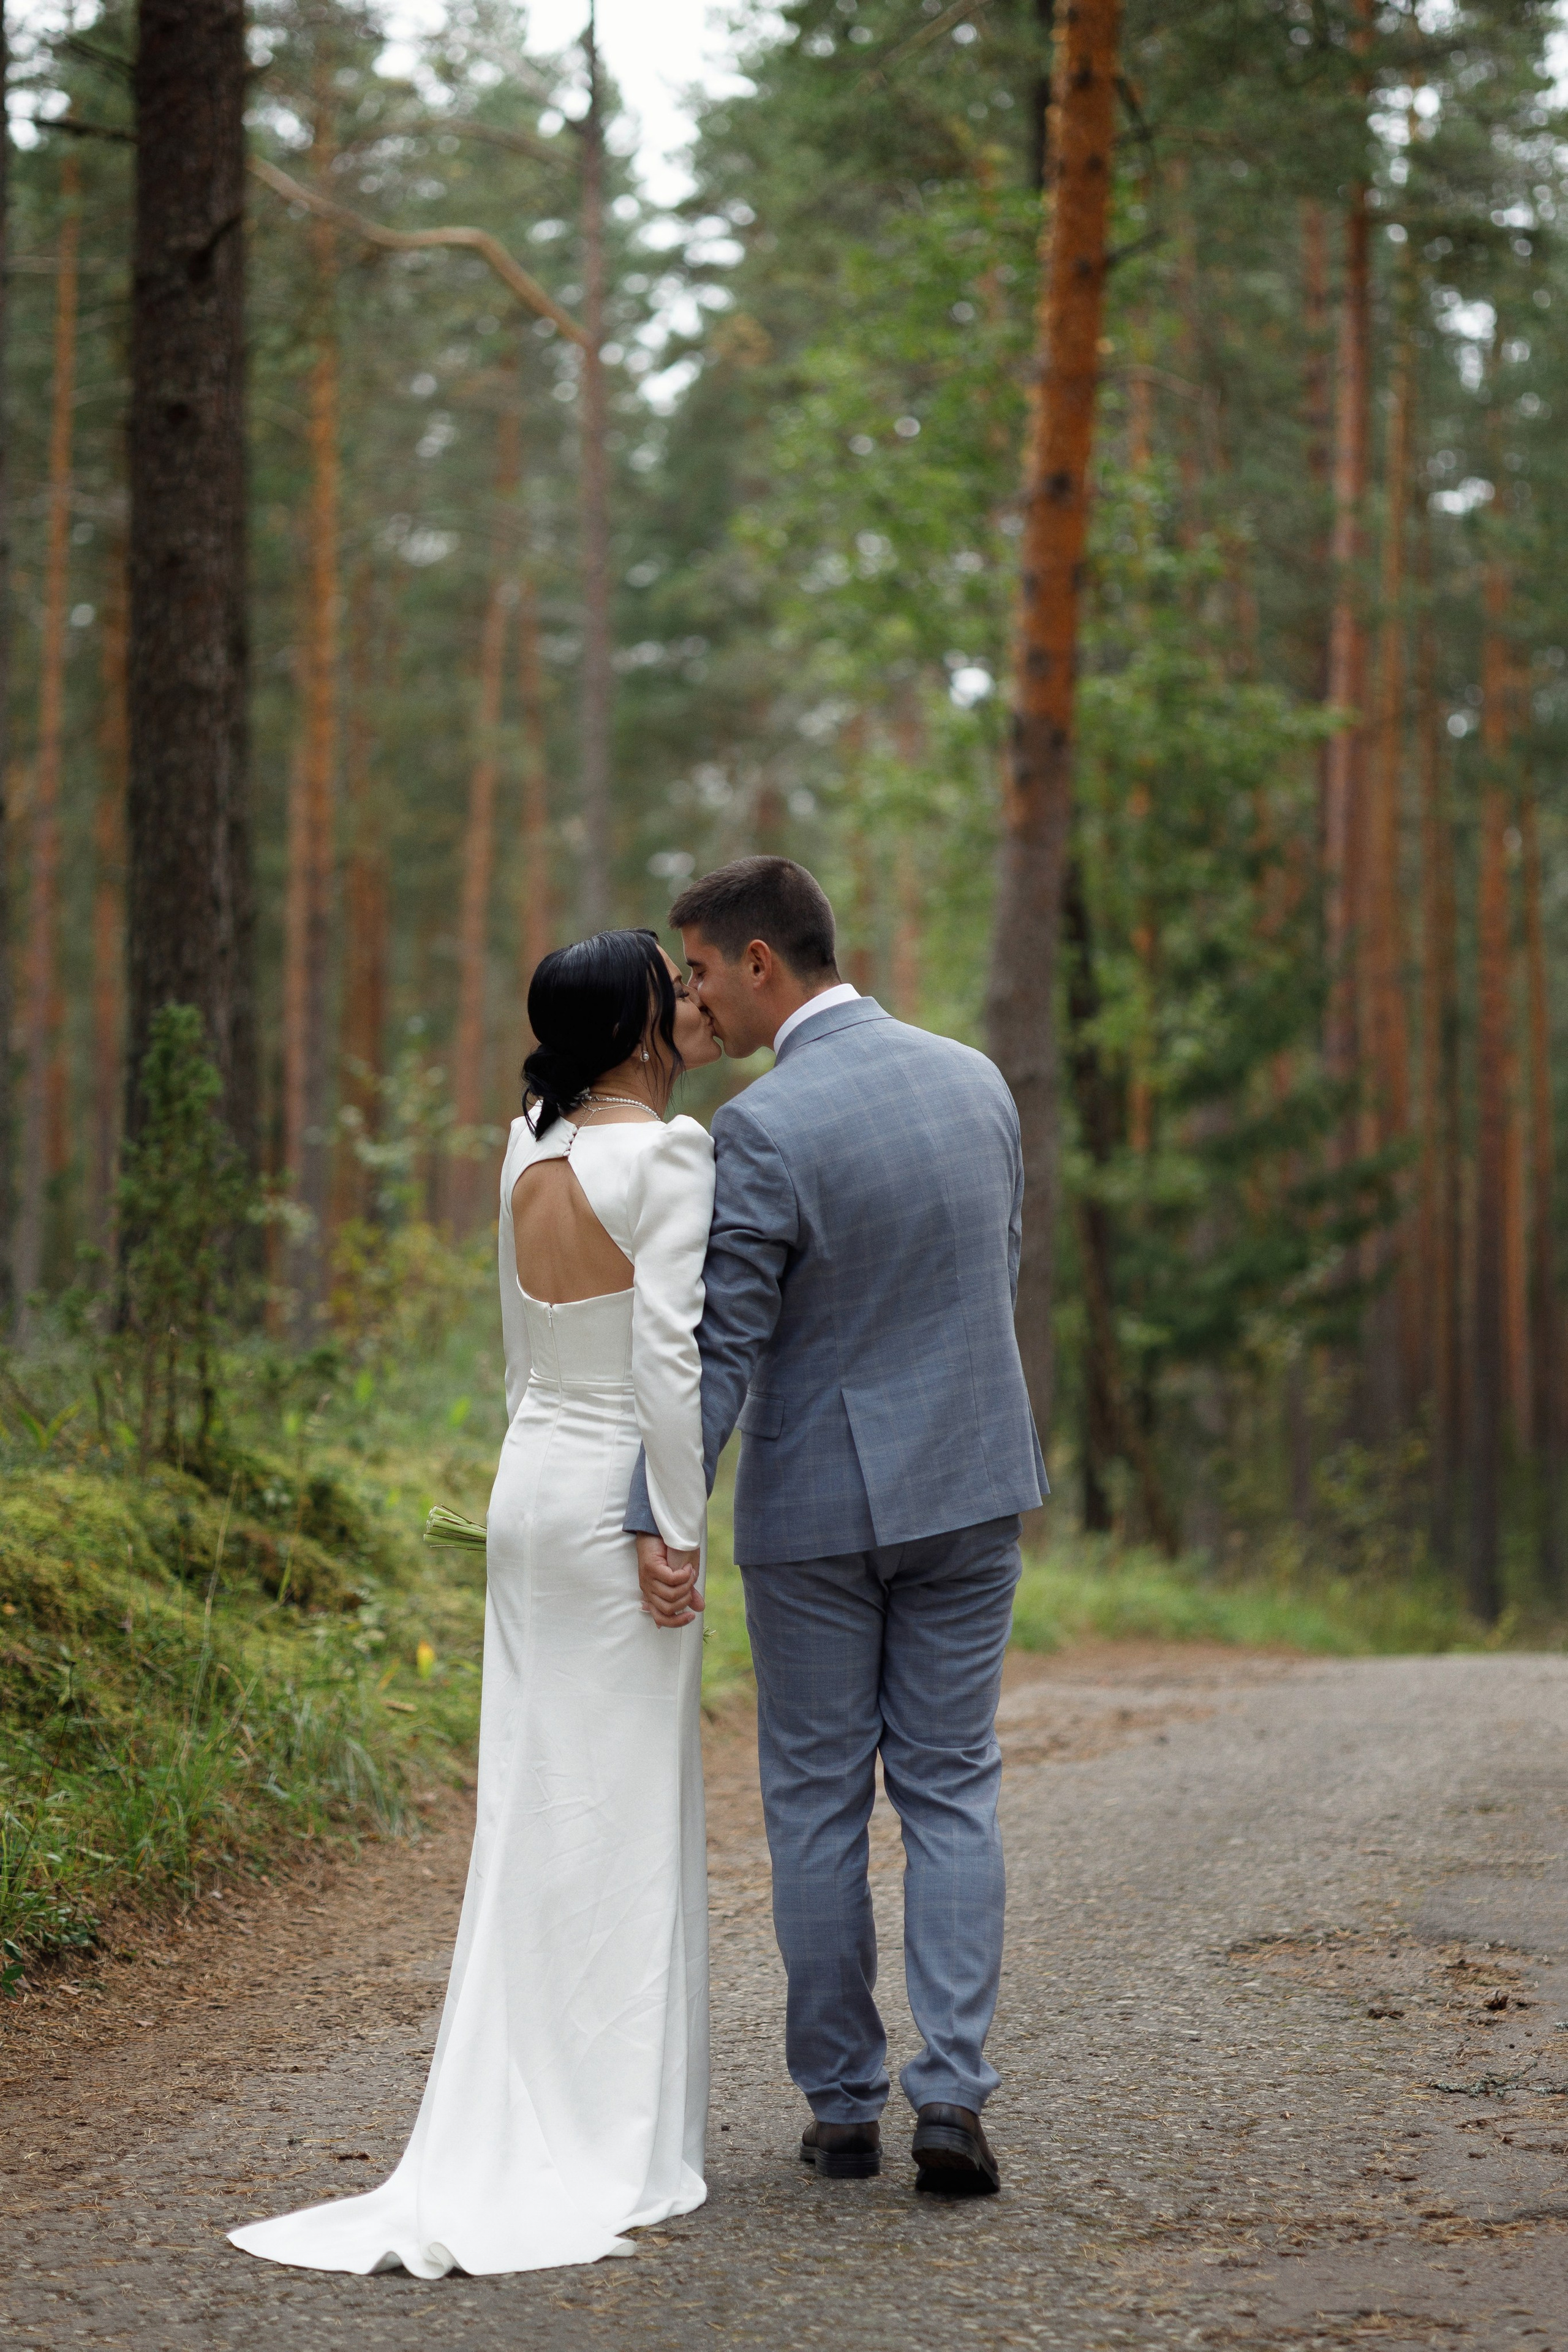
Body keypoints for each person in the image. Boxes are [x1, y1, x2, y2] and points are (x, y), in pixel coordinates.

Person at [230, 929, 722, 2277]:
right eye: (665, 1001)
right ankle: (612, 2131)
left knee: (532, 1797)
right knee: (619, 1809)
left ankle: (519, 2103)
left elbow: (525, 1349)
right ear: (634, 1033)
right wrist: (672, 1526)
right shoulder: (667, 1156)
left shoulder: (530, 1148)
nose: (685, 1013)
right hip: (614, 1499)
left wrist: (541, 1480)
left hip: (527, 1491)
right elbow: (671, 1363)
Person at [630, 857, 1045, 2196]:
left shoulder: (763, 1128)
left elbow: (722, 1349)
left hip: (817, 1512)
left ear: (760, 962)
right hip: (973, 1487)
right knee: (950, 1785)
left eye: (695, 969)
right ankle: (953, 2099)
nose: (689, 995)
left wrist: (660, 1515)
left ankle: (843, 2105)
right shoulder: (974, 1077)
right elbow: (997, 1264)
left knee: (814, 1802)